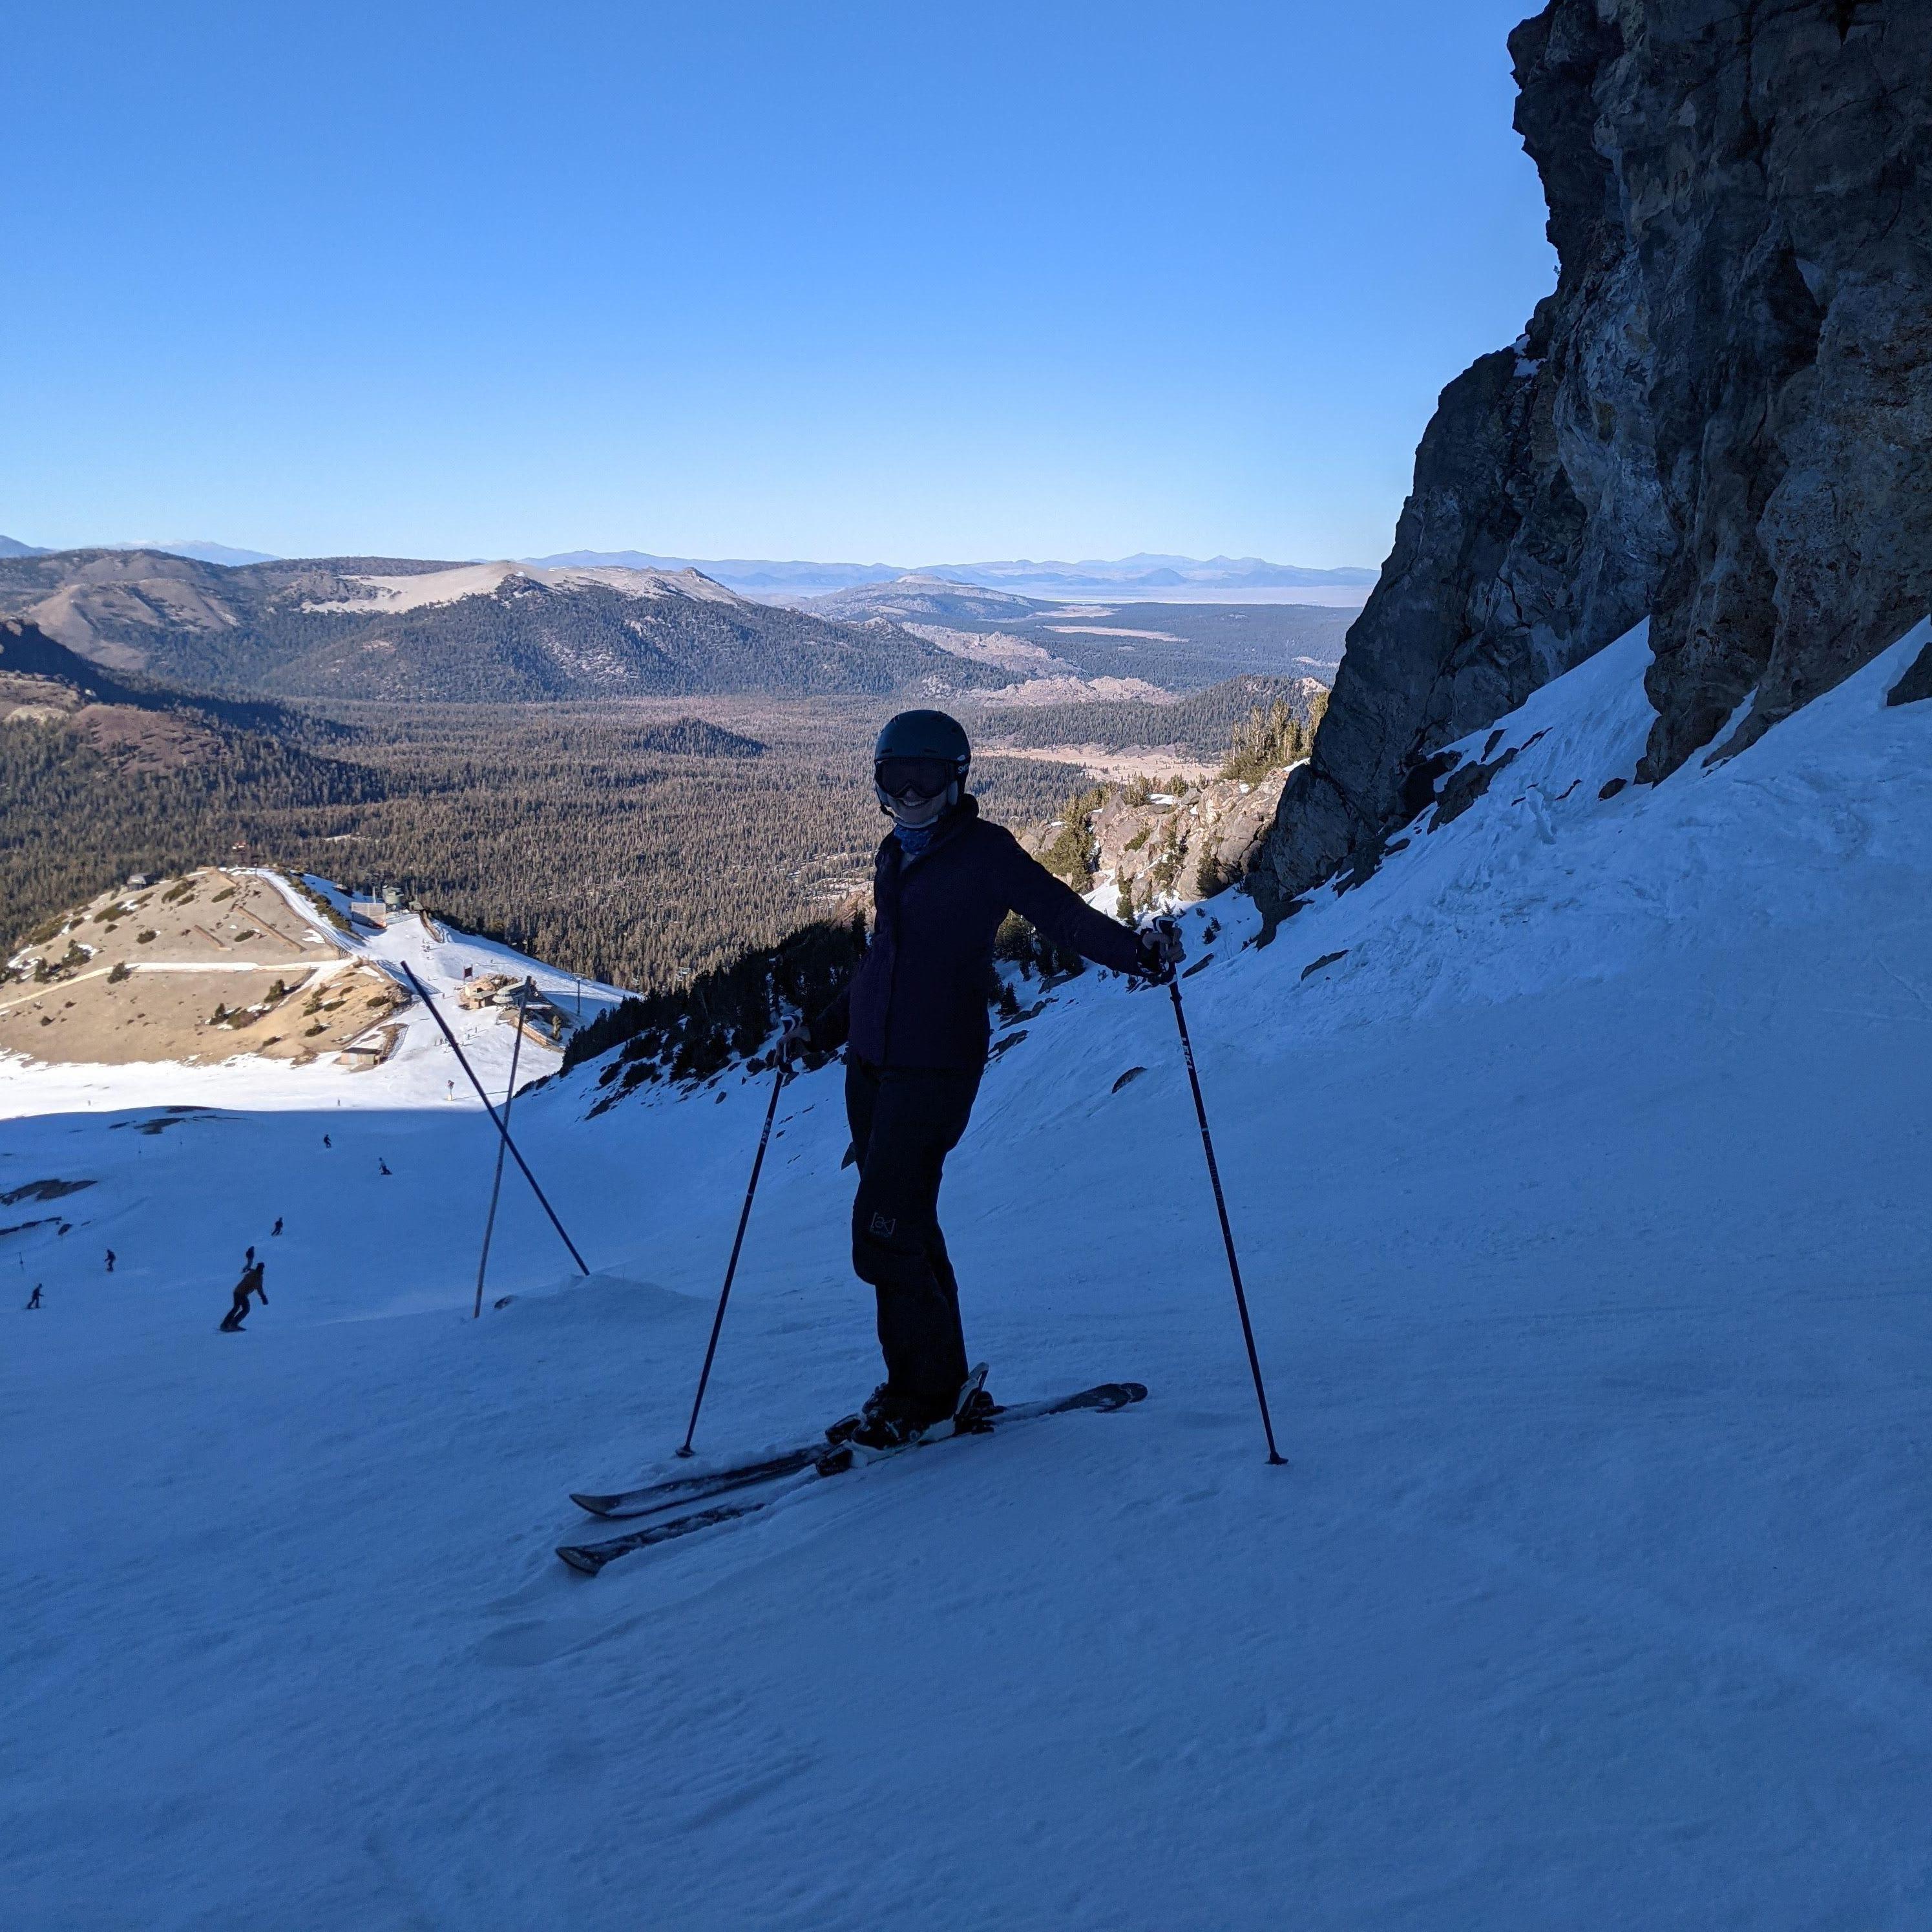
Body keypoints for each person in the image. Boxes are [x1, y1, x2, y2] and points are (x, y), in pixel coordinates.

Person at [781, 709, 1182, 1449]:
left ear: (956, 778)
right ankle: (941, 1380)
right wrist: (821, 1029)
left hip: (932, 1069)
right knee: (909, 1226)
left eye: (925, 776)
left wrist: (1139, 954)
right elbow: (879, 962)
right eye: (894, 776)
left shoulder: (986, 853)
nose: (909, 791)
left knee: (881, 1235)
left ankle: (924, 1395)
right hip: (868, 1069)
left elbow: (1061, 915)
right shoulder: (892, 853)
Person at [219, 1247, 268, 1332]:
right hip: (241, 1293)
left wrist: (250, 1258)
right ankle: (233, 1324)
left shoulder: (252, 1272)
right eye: (261, 1269)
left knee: (236, 1307)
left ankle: (225, 1324)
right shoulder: (258, 1277)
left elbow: (248, 1267)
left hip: (237, 1292)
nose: (262, 1270)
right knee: (246, 1309)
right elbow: (259, 1288)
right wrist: (263, 1298)